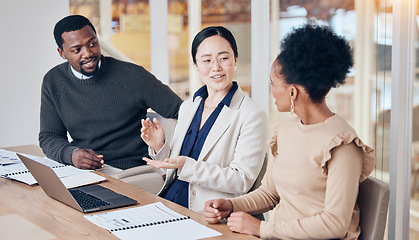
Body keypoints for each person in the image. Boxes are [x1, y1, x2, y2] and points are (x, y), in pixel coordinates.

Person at [203, 23, 376, 239]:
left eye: (273, 84)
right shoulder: (284, 131)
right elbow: (270, 193)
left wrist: (260, 229)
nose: (271, 92)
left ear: (292, 92)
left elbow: (335, 224)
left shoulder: (342, 144)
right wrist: (231, 205)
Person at [140, 26, 268, 212]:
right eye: (207, 60)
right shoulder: (189, 106)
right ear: (196, 65)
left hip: (208, 211)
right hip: (169, 202)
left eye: (224, 58)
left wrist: (188, 166)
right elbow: (173, 169)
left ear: (235, 60)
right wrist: (160, 147)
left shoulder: (252, 115)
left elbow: (242, 181)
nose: (216, 67)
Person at [39, 15, 182, 174]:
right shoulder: (53, 81)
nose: (87, 53)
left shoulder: (132, 76)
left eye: (92, 43)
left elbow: (182, 111)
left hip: (131, 172)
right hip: (85, 171)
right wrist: (71, 155)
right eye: (77, 50)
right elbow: (49, 136)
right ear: (62, 53)